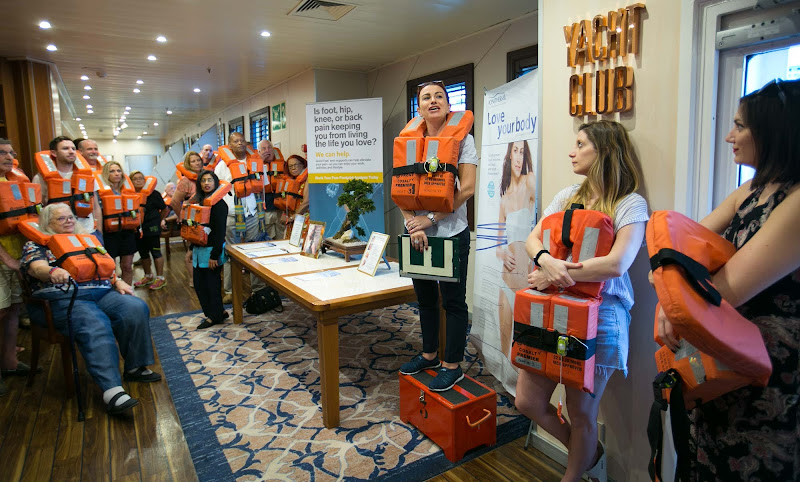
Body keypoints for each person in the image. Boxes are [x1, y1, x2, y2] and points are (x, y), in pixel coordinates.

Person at [655, 79, 800, 480]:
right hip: (722, 361)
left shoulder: (797, 201)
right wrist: (672, 293)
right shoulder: (751, 190)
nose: (728, 136)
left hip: (766, 380)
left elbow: (727, 288)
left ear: (773, 132)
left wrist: (674, 302)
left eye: (739, 126)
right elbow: (680, 249)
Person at [518, 120, 648, 482]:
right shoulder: (567, 197)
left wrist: (556, 273)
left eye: (580, 144)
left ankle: (572, 476)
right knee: (527, 401)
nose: (571, 151)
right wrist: (546, 262)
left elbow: (616, 263)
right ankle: (589, 455)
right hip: (555, 310)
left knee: (582, 414)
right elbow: (533, 238)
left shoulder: (629, 204)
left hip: (602, 315)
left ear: (604, 150)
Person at [20, 203, 161, 415]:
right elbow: (36, 267)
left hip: (101, 292)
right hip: (64, 298)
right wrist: (51, 271)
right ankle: (112, 391)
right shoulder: (36, 245)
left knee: (135, 307)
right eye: (61, 219)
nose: (69, 221)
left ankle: (135, 367)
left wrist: (118, 281)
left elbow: (102, 266)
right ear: (47, 223)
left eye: (70, 217)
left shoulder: (86, 240)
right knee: (95, 322)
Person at [397, 81, 477, 391]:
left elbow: (466, 188)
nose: (434, 101)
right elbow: (401, 189)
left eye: (439, 96)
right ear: (419, 106)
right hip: (417, 231)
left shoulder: (464, 140)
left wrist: (428, 220)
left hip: (451, 231)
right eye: (426, 97)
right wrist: (412, 224)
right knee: (425, 300)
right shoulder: (408, 143)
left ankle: (452, 365)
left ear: (448, 104)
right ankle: (429, 355)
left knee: (454, 302)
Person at [215, 132, 267, 303]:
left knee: (255, 251)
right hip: (231, 214)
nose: (239, 143)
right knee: (231, 252)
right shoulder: (222, 166)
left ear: (247, 143)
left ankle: (258, 288)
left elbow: (264, 186)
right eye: (235, 141)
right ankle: (230, 291)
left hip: (252, 212)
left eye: (242, 140)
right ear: (229, 146)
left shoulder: (257, 163)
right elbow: (216, 191)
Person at [496, 140, 536, 358]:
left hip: (525, 281)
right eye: (516, 151)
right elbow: (498, 243)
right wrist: (502, 252)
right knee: (504, 348)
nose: (519, 157)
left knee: (523, 347)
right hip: (506, 279)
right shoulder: (503, 198)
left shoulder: (530, 182)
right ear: (509, 155)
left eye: (523, 152)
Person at [0, 139, 29, 396]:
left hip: (16, 253)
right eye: (2, 152)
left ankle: (9, 362)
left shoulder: (14, 183)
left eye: (11, 152)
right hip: (2, 259)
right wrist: (7, 259)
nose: (9, 156)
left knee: (13, 311)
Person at [33, 136, 103, 241]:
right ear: (54, 153)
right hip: (60, 235)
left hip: (89, 232)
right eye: (65, 148)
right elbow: (39, 209)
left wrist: (99, 231)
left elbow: (96, 206)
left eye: (73, 149)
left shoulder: (88, 177)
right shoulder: (41, 179)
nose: (71, 152)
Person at [189, 171, 229, 329]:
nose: (206, 183)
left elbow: (220, 233)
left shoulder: (220, 205)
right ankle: (218, 312)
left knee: (211, 286)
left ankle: (214, 316)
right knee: (199, 285)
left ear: (216, 183)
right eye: (203, 180)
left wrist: (214, 256)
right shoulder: (199, 202)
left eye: (210, 180)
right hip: (198, 252)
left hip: (212, 252)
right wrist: (191, 249)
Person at [99, 161, 137, 285]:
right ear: (106, 174)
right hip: (109, 234)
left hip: (127, 232)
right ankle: (113, 293)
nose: (116, 174)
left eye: (118, 171)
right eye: (112, 171)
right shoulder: (100, 192)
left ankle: (128, 293)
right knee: (110, 268)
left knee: (127, 266)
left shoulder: (128, 191)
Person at [170, 151, 204, 288]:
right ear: (187, 165)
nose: (197, 163)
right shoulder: (185, 181)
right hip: (192, 222)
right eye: (193, 161)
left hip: (207, 221)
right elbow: (174, 202)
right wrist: (182, 218)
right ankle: (193, 280)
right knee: (192, 250)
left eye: (198, 160)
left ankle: (205, 278)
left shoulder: (206, 177)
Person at [130, 171, 168, 290]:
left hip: (152, 228)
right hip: (137, 229)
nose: (139, 180)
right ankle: (148, 276)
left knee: (156, 252)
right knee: (143, 253)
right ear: (130, 181)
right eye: (135, 179)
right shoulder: (128, 194)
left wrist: (158, 221)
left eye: (141, 178)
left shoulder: (154, 194)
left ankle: (160, 278)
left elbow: (165, 209)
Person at [258, 139, 283, 240]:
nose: (267, 151)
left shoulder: (282, 165)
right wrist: (260, 162)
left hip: (280, 210)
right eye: (264, 149)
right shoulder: (255, 167)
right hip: (265, 210)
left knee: (282, 238)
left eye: (269, 148)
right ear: (259, 152)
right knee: (268, 239)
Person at [280, 155, 310, 238]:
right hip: (291, 219)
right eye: (290, 166)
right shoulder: (291, 181)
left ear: (303, 164)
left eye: (296, 165)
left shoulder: (308, 178)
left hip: (303, 218)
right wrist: (284, 214)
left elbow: (306, 202)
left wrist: (293, 217)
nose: (293, 168)